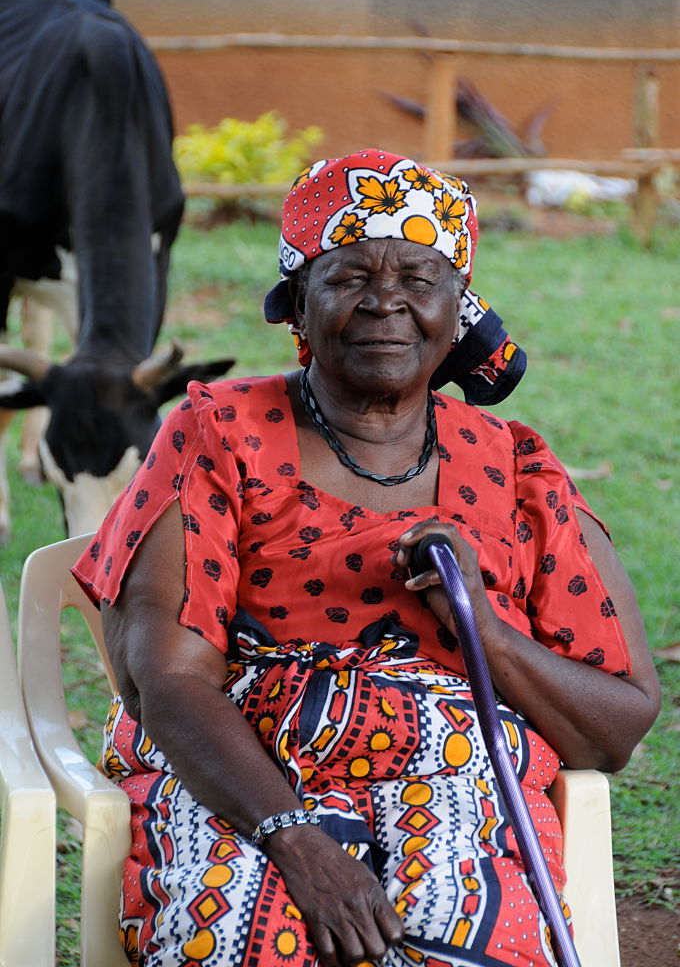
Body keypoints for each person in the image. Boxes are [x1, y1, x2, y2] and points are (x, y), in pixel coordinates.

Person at [73, 148, 660, 967]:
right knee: (241, 943)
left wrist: (482, 630)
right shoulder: (218, 434)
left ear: (459, 309)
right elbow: (164, 679)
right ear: (298, 305)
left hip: (458, 774)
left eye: (420, 280)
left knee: (468, 943)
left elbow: (617, 726)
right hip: (242, 774)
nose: (385, 301)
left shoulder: (516, 468)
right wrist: (296, 841)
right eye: (348, 277)